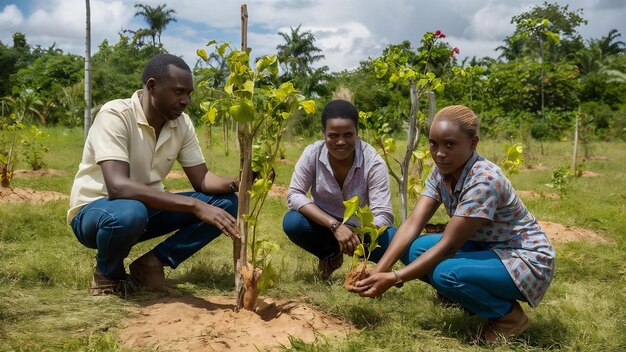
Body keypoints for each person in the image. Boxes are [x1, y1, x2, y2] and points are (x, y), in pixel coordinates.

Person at [349, 105, 555, 342]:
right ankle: (466, 298)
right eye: (434, 144)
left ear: (473, 143)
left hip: (525, 259)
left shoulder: (484, 180)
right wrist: (379, 271)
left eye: (450, 144)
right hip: (488, 248)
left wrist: (394, 278)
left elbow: (448, 246)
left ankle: (509, 317)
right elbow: (413, 224)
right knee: (414, 248)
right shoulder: (440, 172)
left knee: (445, 274)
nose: (439, 153)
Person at [67, 54, 240, 297]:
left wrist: (236, 183)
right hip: (97, 212)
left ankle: (151, 264)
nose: (185, 101)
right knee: (130, 212)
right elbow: (117, 186)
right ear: (152, 86)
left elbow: (201, 179)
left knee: (227, 204)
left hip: (145, 210)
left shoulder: (181, 123)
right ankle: (108, 275)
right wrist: (194, 205)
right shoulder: (116, 115)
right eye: (179, 92)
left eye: (188, 93)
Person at [283, 100, 396, 279]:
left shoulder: (373, 162)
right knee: (292, 222)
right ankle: (330, 253)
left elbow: (384, 214)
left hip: (360, 229)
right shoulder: (312, 154)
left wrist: (352, 229)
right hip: (323, 226)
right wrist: (334, 225)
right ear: (324, 134)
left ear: (357, 133)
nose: (341, 142)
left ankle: (371, 269)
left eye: (348, 135)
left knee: (392, 237)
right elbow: (294, 194)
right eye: (333, 135)